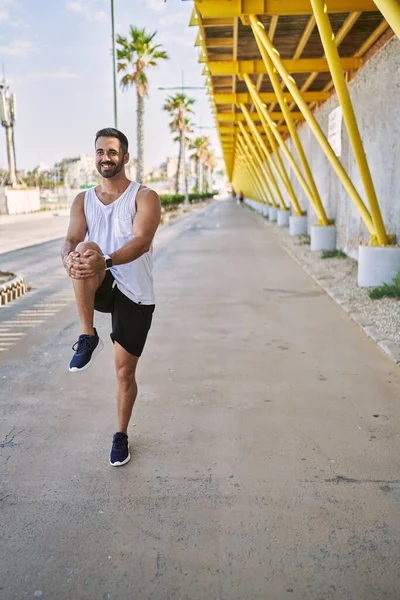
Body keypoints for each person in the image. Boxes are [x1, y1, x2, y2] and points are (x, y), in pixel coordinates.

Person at [61, 128, 161, 467]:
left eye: (113, 152)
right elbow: (71, 239)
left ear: (125, 157)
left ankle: (121, 434)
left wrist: (102, 259)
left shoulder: (144, 197)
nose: (106, 157)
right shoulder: (83, 200)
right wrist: (69, 259)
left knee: (124, 373)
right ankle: (87, 335)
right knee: (82, 249)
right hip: (101, 283)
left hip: (135, 291)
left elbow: (142, 242)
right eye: (101, 151)